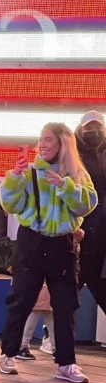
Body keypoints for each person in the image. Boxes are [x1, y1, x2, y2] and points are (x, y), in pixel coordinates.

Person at [0, 123, 97, 383]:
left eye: (49, 140)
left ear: (64, 144)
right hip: (32, 241)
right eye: (41, 140)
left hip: (62, 244)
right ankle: (7, 353)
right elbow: (10, 204)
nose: (43, 144)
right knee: (21, 299)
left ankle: (66, 363)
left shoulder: (77, 174)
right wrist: (15, 178)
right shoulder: (30, 172)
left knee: (65, 305)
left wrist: (65, 186)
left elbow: (88, 204)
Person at [74, 110, 106, 314]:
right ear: (81, 129)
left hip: (102, 229)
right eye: (89, 128)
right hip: (80, 227)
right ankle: (51, 333)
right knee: (73, 281)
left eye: (97, 128)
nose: (93, 132)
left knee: (96, 279)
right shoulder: (73, 152)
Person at [15, 284, 54, 360]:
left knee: (30, 324)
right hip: (45, 292)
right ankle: (22, 347)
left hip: (41, 292)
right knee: (51, 325)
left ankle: (22, 347)